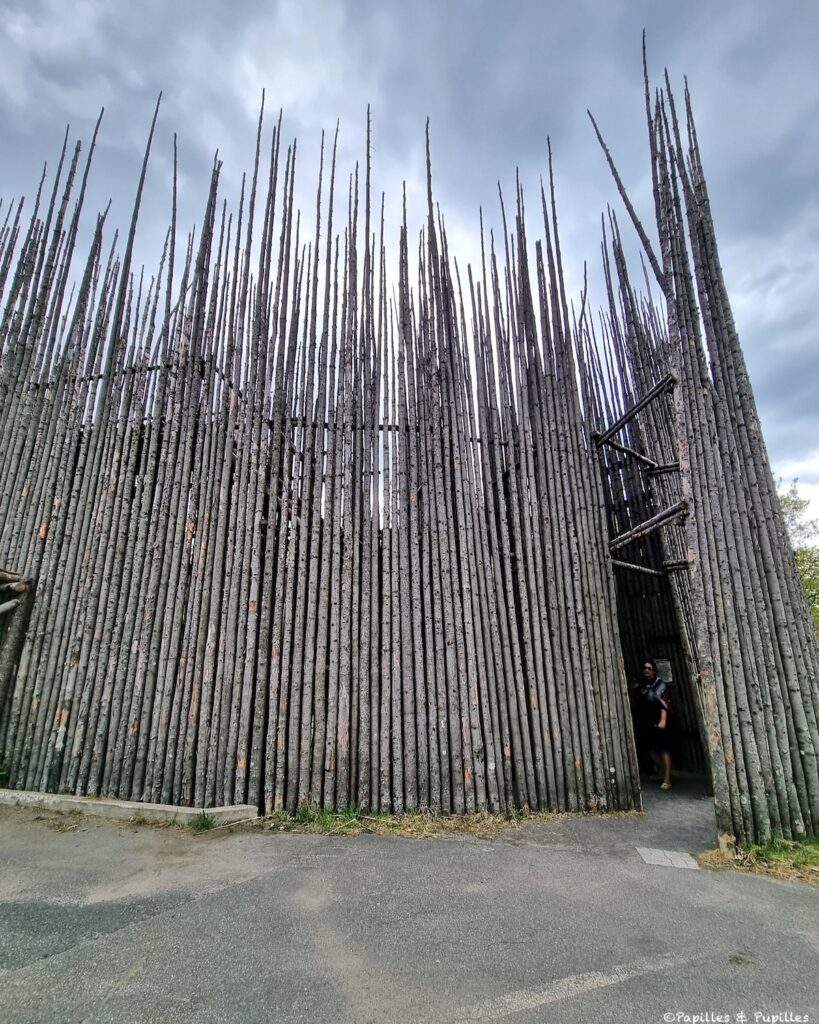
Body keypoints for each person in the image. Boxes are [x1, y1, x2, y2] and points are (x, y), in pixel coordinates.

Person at [634, 659, 675, 790]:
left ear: (654, 671)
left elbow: (665, 704)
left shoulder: (660, 685)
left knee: (664, 749)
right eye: (645, 668)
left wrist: (663, 720)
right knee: (649, 748)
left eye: (649, 668)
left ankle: (667, 779)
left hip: (661, 720)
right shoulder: (644, 686)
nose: (646, 670)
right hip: (648, 721)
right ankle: (664, 772)